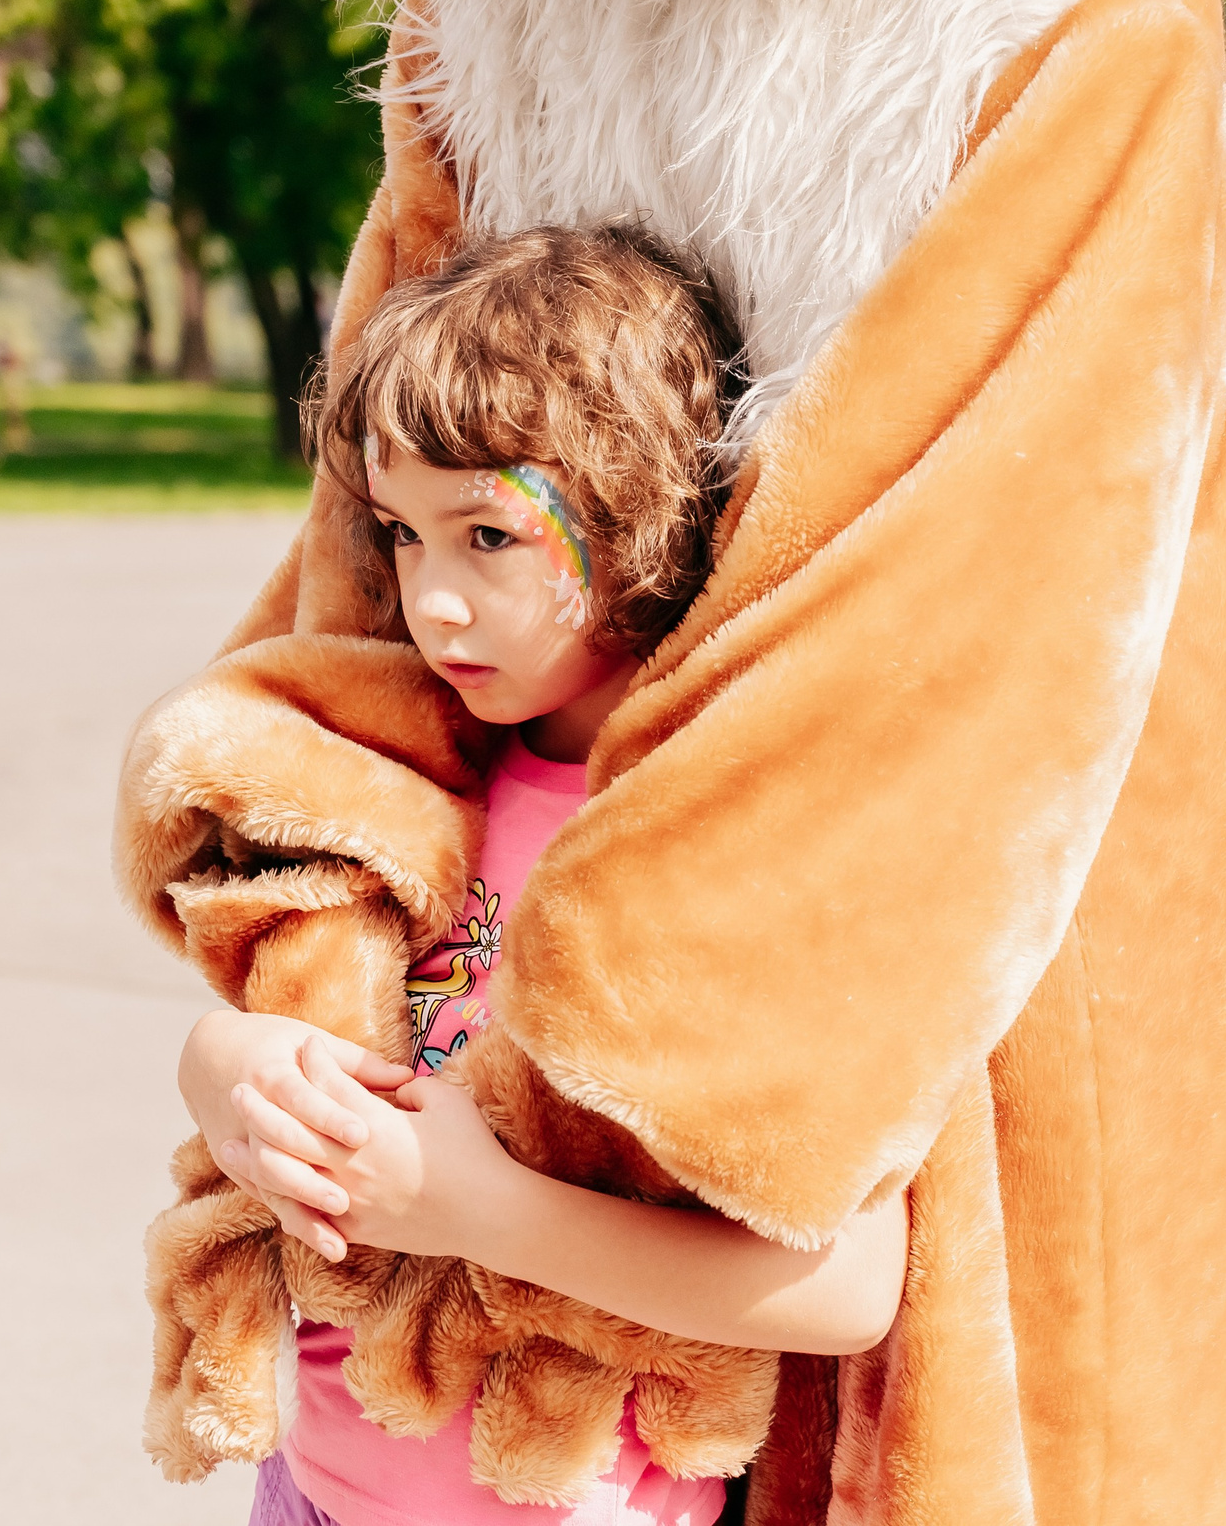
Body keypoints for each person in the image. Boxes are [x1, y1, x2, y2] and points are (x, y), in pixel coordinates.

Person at [170, 224, 909, 1526]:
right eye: (402, 535)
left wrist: (477, 1210)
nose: (431, 599)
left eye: (490, 538)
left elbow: (849, 1284)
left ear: (640, 511)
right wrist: (226, 1073)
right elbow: (292, 1015)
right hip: (317, 1492)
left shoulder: (714, 841)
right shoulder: (419, 779)